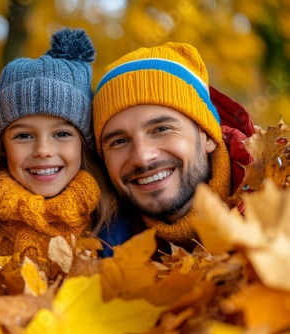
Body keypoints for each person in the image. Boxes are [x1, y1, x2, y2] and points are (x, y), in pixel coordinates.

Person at [0, 27, 132, 263]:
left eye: (62, 133)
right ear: (2, 146)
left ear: (84, 144)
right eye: (23, 136)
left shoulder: (114, 219)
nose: (43, 150)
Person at [92, 42, 255, 254]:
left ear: (207, 135)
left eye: (161, 129)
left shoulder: (281, 209)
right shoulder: (103, 251)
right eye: (119, 141)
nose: (142, 157)